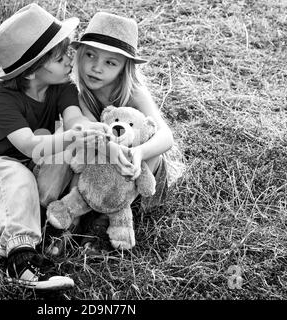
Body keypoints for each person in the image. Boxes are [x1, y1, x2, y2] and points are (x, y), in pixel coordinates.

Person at [0, 3, 108, 291]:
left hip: (32, 167)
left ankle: (54, 219)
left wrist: (88, 131)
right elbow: (30, 146)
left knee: (65, 149)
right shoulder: (2, 101)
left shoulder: (62, 87)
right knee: (20, 173)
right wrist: (70, 137)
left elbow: (74, 120)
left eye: (67, 51)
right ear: (31, 72)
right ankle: (21, 259)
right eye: (59, 57)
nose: (70, 60)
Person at [67, 11, 186, 253]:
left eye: (110, 62)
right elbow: (93, 137)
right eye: (90, 55)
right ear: (80, 55)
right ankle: (72, 217)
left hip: (138, 175)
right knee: (81, 144)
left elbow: (166, 136)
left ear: (124, 68)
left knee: (151, 143)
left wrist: (139, 153)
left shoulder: (134, 93)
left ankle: (105, 223)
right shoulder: (82, 96)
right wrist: (109, 149)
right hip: (99, 172)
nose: (96, 68)